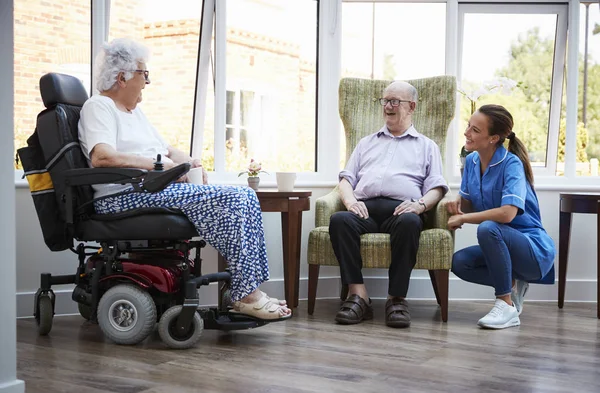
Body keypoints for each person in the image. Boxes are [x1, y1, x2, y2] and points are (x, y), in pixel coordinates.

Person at [78, 37, 291, 321]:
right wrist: (157, 167)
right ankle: (245, 294)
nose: (147, 82)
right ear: (122, 77)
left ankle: (245, 288)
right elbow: (102, 157)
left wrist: (191, 162)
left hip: (150, 190)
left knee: (244, 195)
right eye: (144, 74)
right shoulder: (99, 107)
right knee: (236, 198)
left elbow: (165, 149)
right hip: (121, 197)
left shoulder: (134, 112)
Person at [330, 81, 448, 328]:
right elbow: (345, 180)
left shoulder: (427, 146)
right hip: (366, 209)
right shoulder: (366, 143)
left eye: (395, 101)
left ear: (411, 106)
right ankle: (358, 294)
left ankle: (396, 298)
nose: (388, 106)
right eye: (385, 101)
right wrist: (350, 202)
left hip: (402, 210)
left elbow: (437, 187)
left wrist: (420, 206)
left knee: (410, 221)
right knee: (339, 220)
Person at [447, 104, 556, 329]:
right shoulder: (471, 161)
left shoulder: (511, 164)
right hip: (503, 245)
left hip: (532, 249)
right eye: (468, 126)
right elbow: (469, 206)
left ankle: (506, 304)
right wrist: (459, 200)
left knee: (488, 228)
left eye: (475, 130)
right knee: (460, 263)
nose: (467, 132)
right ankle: (513, 283)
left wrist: (464, 219)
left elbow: (506, 214)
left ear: (493, 138)